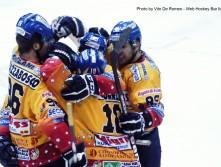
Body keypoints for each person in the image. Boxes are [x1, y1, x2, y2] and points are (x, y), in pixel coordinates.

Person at [0, 13, 87, 167]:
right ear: (36, 45)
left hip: (19, 154)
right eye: (47, 41)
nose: (50, 44)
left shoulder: (15, 55)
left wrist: (2, 135)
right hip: (44, 158)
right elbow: (52, 121)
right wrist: (72, 152)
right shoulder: (38, 83)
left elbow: (9, 101)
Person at [41, 31, 142, 167]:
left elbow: (47, 70)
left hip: (97, 157)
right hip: (121, 156)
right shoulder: (112, 76)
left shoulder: (70, 82)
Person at [109, 21, 165, 167]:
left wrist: (142, 120)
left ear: (136, 44)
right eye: (114, 45)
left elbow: (157, 111)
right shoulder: (122, 58)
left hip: (142, 144)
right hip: (120, 141)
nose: (116, 51)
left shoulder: (144, 74)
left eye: (122, 46)